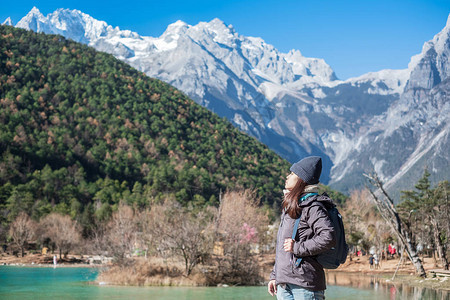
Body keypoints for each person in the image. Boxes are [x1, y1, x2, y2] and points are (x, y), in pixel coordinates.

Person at [268, 156, 336, 300]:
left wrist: (297, 247)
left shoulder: (313, 206)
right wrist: (275, 276)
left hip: (305, 285)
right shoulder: (291, 206)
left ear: (301, 180)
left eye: (292, 174)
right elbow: (282, 247)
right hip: (285, 284)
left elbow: (328, 236)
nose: (287, 176)